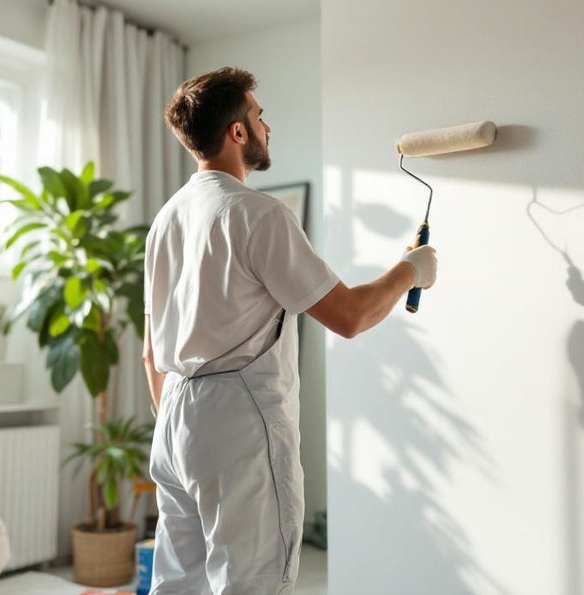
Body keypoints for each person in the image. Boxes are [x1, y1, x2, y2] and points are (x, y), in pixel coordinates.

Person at [142, 66, 438, 594]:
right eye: (259, 116)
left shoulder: (167, 219)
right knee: (253, 584)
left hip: (172, 419)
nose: (267, 127)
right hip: (236, 422)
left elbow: (149, 354)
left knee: (177, 585)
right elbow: (348, 316)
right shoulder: (257, 214)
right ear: (237, 132)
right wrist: (411, 270)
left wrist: (184, 430)